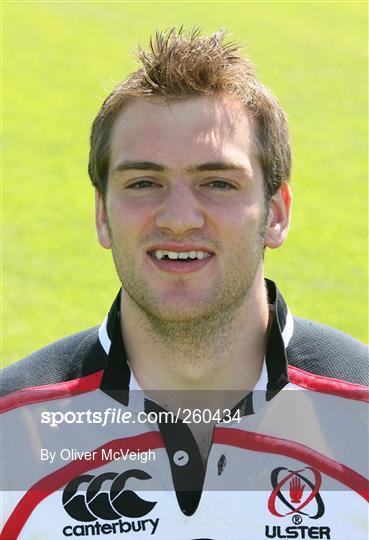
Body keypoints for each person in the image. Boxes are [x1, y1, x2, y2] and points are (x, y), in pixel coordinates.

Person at [1, 28, 368, 540]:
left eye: (218, 182)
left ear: (277, 213)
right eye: (143, 183)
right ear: (102, 216)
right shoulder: (10, 431)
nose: (177, 219)